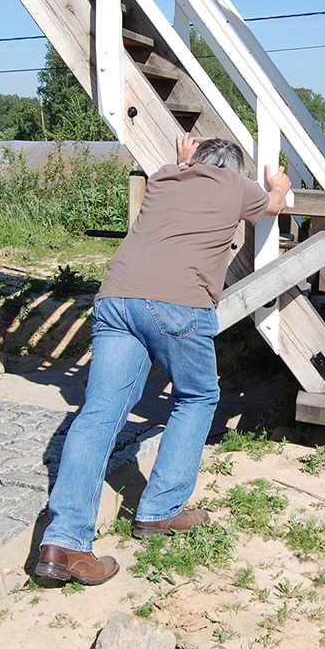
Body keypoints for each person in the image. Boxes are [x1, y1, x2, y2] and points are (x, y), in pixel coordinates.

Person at [35, 135, 291, 585]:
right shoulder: (236, 185)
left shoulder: (165, 177)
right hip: (178, 303)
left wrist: (185, 159)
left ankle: (65, 542)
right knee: (197, 397)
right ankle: (159, 510)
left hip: (116, 298)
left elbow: (190, 174)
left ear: (191, 162)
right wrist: (277, 182)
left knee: (97, 415)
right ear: (233, 168)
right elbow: (274, 204)